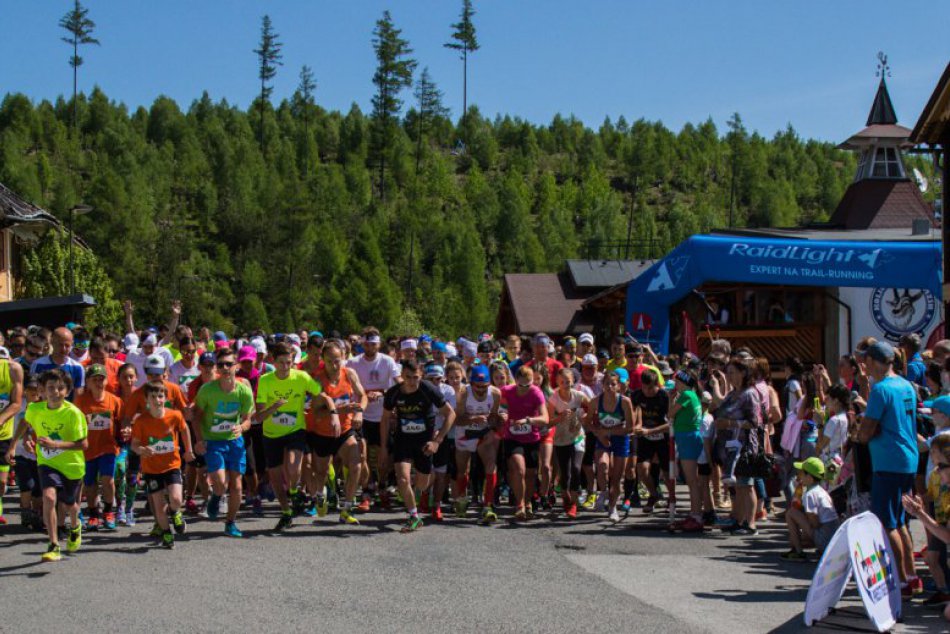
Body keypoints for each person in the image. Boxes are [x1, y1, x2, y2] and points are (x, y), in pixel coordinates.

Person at [856, 340, 921, 596]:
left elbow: (867, 430)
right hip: (907, 458)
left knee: (887, 522)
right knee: (901, 520)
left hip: (888, 461)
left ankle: (902, 580)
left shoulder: (881, 389)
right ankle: (912, 576)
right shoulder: (906, 385)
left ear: (872, 361)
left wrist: (859, 433)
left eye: (866, 362)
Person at [6, 369, 87, 562]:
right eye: (51, 387)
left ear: (67, 391)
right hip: (47, 462)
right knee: (49, 497)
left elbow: (83, 444)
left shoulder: (73, 413)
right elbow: (25, 422)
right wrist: (15, 444)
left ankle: (75, 526)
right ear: (42, 390)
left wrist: (56, 444)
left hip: (72, 465)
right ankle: (54, 544)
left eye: (60, 388)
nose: (55, 392)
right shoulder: (35, 409)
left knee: (70, 505)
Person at [380, 360, 456, 532]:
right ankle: (414, 515)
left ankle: (416, 489)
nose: (412, 382)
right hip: (402, 440)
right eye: (408, 377)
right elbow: (384, 419)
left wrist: (437, 441)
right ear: (402, 375)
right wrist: (384, 447)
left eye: (416, 377)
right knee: (402, 479)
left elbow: (450, 414)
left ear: (421, 376)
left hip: (424, 442)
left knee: (422, 485)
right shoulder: (393, 393)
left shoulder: (428, 389)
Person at [193, 347, 255, 537]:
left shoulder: (244, 391)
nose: (225, 367)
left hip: (234, 441)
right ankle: (217, 496)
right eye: (221, 364)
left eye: (229, 364)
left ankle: (230, 522)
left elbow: (247, 420)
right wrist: (199, 440)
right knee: (220, 483)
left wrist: (241, 427)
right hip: (214, 441)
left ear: (236, 366)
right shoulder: (207, 390)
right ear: (217, 368)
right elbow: (196, 417)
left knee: (237, 485)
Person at [307, 340, 367, 526]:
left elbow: (362, 396)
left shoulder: (349, 374)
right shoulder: (317, 380)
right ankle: (319, 495)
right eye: (331, 360)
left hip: (345, 430)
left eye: (338, 360)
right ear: (323, 359)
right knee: (322, 472)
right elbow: (316, 414)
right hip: (322, 432)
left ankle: (346, 508)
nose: (335, 365)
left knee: (356, 463)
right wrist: (339, 411)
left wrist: (359, 412)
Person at [131, 382, 194, 549]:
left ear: (165, 398)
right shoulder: (141, 421)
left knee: (176, 498)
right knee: (159, 505)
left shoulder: (174, 415)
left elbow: (185, 429)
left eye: (160, 396)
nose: (157, 400)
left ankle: (175, 512)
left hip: (172, 465)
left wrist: (188, 450)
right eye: (153, 397)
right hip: (151, 469)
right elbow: (134, 444)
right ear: (146, 400)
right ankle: (166, 532)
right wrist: (141, 450)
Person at [346, 327, 402, 510]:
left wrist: (383, 393)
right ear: (363, 343)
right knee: (361, 455)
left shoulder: (387, 361)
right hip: (361, 415)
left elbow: (399, 384)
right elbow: (344, 386)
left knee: (382, 456)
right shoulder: (353, 363)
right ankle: (367, 491)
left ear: (379, 343)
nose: (370, 346)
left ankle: (382, 486)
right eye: (367, 343)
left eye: (374, 343)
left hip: (382, 417)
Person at [903, 433, 950, 614]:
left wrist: (919, 513)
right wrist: (920, 509)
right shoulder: (939, 480)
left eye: (941, 466)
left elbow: (947, 536)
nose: (936, 471)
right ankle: (944, 592)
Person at [75, 364, 123, 531]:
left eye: (101, 379)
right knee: (89, 484)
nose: (98, 383)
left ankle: (109, 512)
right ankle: (94, 514)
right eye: (94, 379)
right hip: (87, 449)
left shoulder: (114, 400)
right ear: (87, 382)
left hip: (108, 447)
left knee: (107, 480)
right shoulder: (81, 401)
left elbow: (122, 422)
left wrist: (125, 432)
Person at [454, 363, 502, 524]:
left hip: (483, 433)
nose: (481, 390)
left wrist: (498, 420)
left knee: (491, 465)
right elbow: (457, 420)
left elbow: (494, 417)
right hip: (465, 433)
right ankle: (461, 499)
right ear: (471, 383)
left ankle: (487, 505)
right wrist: (473, 418)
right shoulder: (463, 393)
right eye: (477, 386)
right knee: (463, 469)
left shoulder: (495, 393)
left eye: (484, 386)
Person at [589, 368, 635, 522]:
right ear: (603, 385)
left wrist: (608, 432)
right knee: (602, 466)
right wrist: (599, 433)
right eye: (607, 384)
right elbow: (587, 422)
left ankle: (613, 507)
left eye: (613, 384)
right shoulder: (596, 401)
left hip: (620, 439)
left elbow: (630, 428)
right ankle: (603, 492)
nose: (610, 387)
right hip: (603, 438)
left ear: (619, 386)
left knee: (616, 478)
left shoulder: (625, 402)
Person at [549, 367, 589, 518]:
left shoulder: (579, 396)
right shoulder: (554, 398)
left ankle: (573, 503)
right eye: (562, 382)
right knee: (565, 473)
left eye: (568, 381)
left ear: (573, 381)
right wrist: (559, 417)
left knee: (576, 468)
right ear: (558, 383)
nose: (566, 384)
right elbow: (548, 422)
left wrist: (584, 416)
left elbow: (590, 407)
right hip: (560, 439)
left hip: (578, 436)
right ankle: (566, 498)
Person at [782, 457, 840, 561]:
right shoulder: (821, 490)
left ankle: (798, 552)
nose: (799, 476)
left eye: (802, 473)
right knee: (798, 535)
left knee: (790, 513)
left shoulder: (809, 494)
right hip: (833, 539)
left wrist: (804, 532)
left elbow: (815, 522)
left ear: (810, 478)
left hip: (824, 539)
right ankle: (803, 547)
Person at [669, 370, 704, 532]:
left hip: (687, 438)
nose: (675, 384)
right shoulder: (692, 394)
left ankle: (696, 515)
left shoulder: (686, 395)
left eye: (677, 382)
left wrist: (671, 399)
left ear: (683, 382)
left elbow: (670, 414)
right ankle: (695, 513)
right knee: (693, 480)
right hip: (690, 437)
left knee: (691, 481)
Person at [631, 370, 670, 513]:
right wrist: (636, 425)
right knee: (641, 469)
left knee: (667, 472)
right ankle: (654, 495)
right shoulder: (636, 395)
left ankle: (672, 500)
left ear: (657, 386)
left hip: (663, 436)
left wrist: (650, 431)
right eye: (644, 387)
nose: (647, 391)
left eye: (650, 388)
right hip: (645, 437)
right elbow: (633, 414)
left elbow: (671, 424)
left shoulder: (664, 396)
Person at [0, 354, 24, 525]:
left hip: (3, 434)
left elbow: (16, 403)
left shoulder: (12, 369)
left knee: (1, 482)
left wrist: (0, 420)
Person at [30, 327, 85, 399]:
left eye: (67, 345)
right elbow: (33, 392)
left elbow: (78, 398)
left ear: (72, 344)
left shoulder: (78, 368)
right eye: (60, 344)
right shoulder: (38, 364)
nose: (63, 349)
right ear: (52, 342)